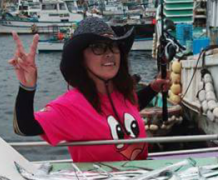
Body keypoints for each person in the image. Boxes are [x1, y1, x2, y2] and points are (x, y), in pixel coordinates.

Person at [10, 16, 170, 162]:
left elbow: (132, 105)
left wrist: (153, 88)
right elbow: (25, 127)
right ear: (81, 58)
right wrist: (27, 87)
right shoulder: (72, 106)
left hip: (143, 177)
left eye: (114, 46)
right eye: (98, 47)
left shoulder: (122, 94)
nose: (109, 54)